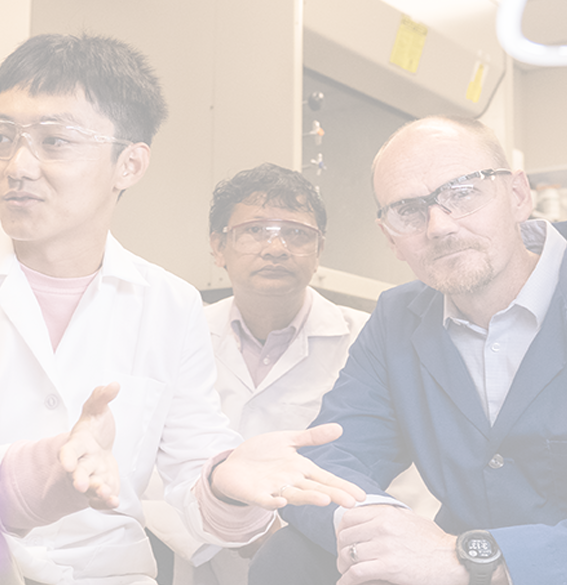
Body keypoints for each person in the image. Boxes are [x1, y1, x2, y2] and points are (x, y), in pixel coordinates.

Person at [0, 34, 366, 583]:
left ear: (130, 164)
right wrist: (46, 473)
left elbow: (198, 478)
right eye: (1, 137)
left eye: (55, 141)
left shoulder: (169, 303)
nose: (17, 165)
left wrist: (224, 484)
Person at [248, 116, 567, 585]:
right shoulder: (398, 319)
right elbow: (326, 466)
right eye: (408, 210)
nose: (438, 226)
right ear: (391, 237)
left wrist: (474, 559)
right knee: (289, 558)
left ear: (517, 196)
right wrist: (390, 533)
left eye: (463, 192)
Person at [167, 164, 438, 582]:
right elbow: (150, 470)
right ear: (218, 247)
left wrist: (292, 532)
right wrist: (238, 529)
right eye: (255, 230)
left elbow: (410, 477)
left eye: (296, 233)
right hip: (206, 561)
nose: (276, 247)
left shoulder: (370, 339)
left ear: (319, 250)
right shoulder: (178, 337)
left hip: (327, 563)